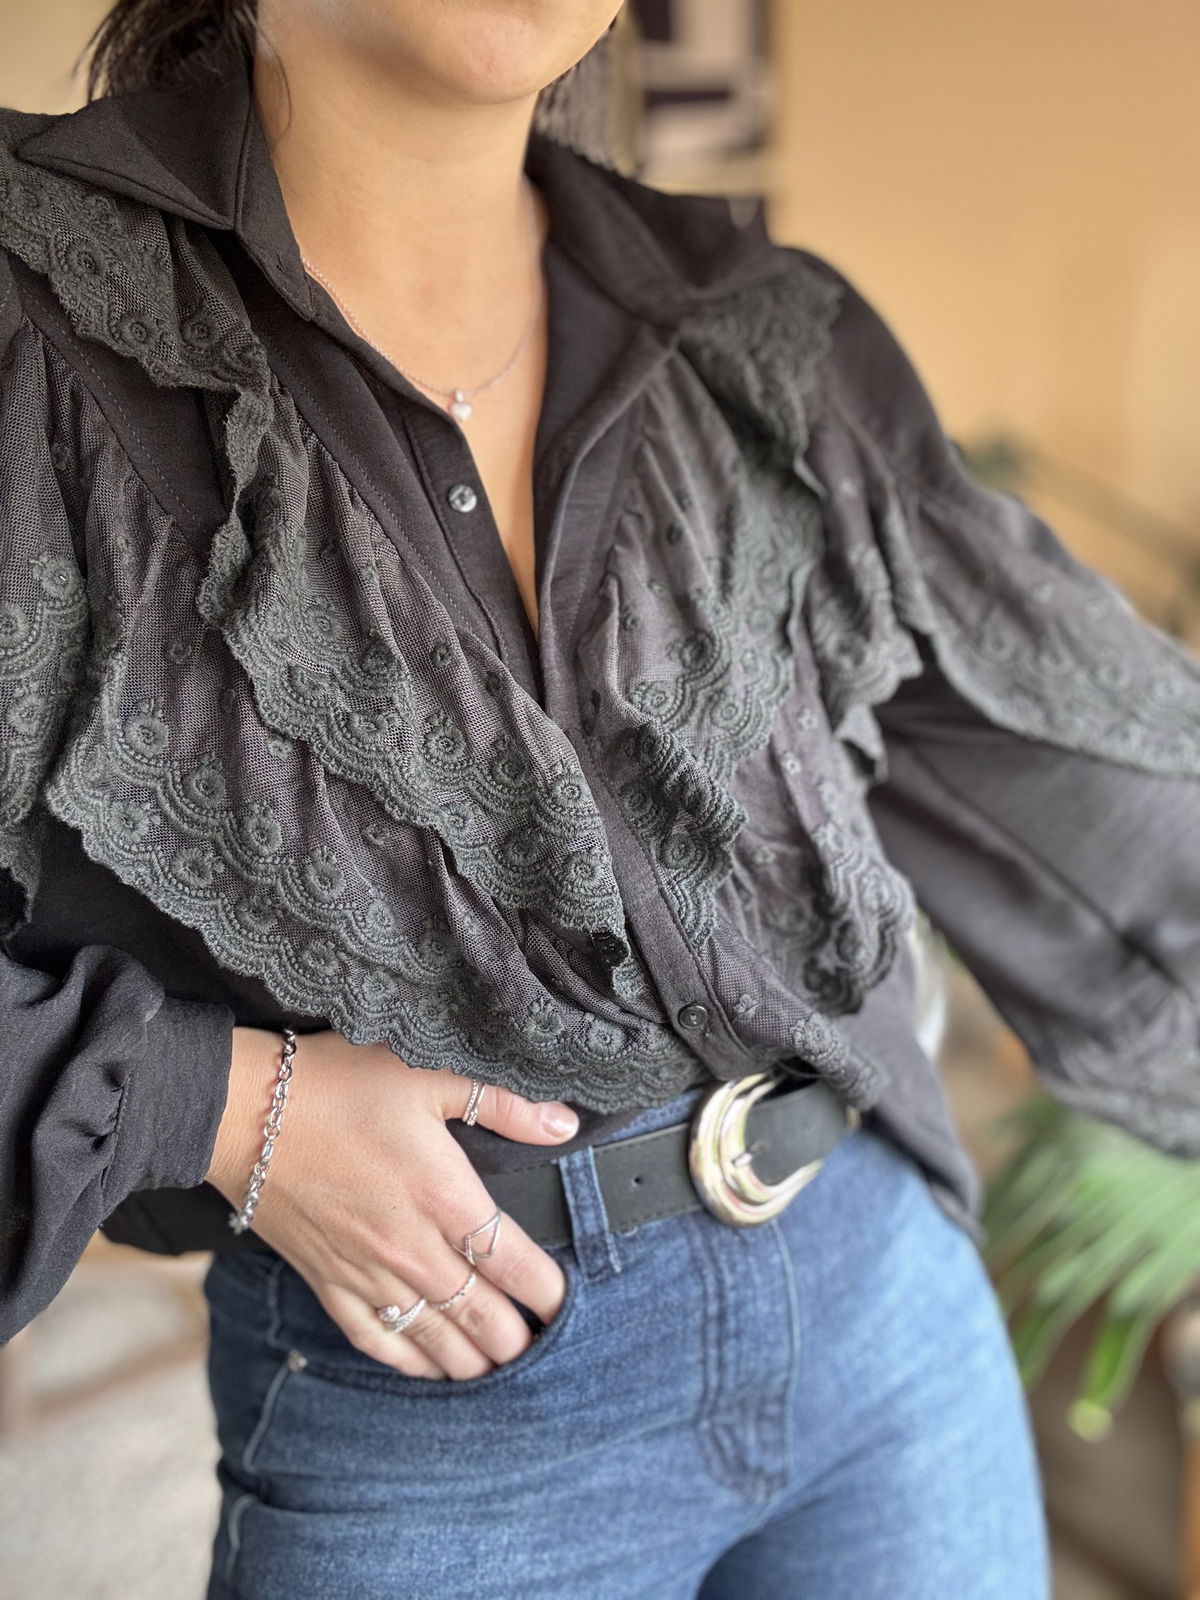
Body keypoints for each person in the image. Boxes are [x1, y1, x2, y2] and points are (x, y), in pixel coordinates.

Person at [2, 2, 1197, 1594]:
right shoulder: (40, 317)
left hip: (885, 1321)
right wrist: (214, 1101)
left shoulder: (763, 335)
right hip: (436, 1394)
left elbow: (1106, 792)